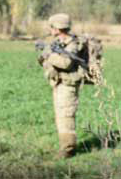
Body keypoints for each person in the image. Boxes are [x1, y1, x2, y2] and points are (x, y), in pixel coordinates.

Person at [37, 13, 88, 158]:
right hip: (59, 83)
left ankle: (68, 149)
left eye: (52, 26)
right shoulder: (60, 41)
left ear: (58, 28)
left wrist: (48, 55)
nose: (50, 29)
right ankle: (65, 146)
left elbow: (66, 63)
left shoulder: (72, 44)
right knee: (60, 115)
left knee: (66, 115)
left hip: (68, 85)